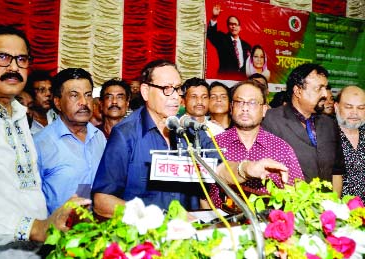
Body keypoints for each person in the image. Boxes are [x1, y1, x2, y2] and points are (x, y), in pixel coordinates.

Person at [91, 59, 290, 218]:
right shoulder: (126, 134)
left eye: (178, 89)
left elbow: (219, 169)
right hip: (145, 239)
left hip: (190, 233)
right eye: (166, 89)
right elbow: (102, 201)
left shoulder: (190, 130)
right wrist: (155, 218)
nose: (175, 96)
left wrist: (247, 169)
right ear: (145, 91)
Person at [0, 25, 89, 258]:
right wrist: (34, 228)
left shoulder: (19, 114)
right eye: (2, 57)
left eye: (21, 59)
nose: (13, 67)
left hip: (35, 250)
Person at [208, 80, 304, 208]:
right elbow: (203, 196)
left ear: (264, 109)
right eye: (239, 102)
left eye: (252, 103)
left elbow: (298, 194)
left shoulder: (281, 149)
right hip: (222, 223)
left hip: (269, 223)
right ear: (231, 107)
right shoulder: (213, 145)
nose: (245, 108)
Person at [34, 68, 106, 214]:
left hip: (97, 231)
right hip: (56, 233)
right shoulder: (40, 144)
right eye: (74, 96)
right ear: (58, 102)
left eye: (88, 95)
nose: (84, 102)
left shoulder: (99, 137)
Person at [262, 63, 343, 186]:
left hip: (327, 203)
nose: (325, 95)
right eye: (319, 88)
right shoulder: (271, 120)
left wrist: (334, 204)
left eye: (325, 88)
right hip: (289, 203)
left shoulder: (329, 124)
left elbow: (337, 171)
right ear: (298, 91)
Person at [333, 86, 365, 201]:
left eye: (361, 108)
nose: (355, 113)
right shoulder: (326, 135)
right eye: (348, 107)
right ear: (336, 107)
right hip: (339, 213)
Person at [207, 4, 251, 76]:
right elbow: (211, 34)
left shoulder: (246, 46)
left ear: (240, 27)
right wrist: (214, 17)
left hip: (242, 79)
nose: (233, 26)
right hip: (225, 78)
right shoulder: (222, 39)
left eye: (235, 24)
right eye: (231, 24)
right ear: (228, 26)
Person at [25, 70, 58, 135]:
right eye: (42, 90)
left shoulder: (57, 115)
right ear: (31, 93)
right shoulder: (25, 119)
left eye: (50, 90)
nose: (48, 94)